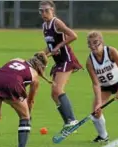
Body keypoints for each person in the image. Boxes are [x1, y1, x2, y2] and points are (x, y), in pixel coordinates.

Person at [38, 1, 83, 131]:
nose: (44, 13)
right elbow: (50, 45)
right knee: (54, 94)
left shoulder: (56, 22)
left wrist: (59, 46)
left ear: (52, 10)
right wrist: (42, 54)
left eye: (46, 10)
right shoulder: (44, 26)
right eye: (41, 11)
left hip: (66, 60)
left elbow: (73, 35)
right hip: (58, 62)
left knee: (58, 90)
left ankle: (72, 119)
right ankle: (68, 122)